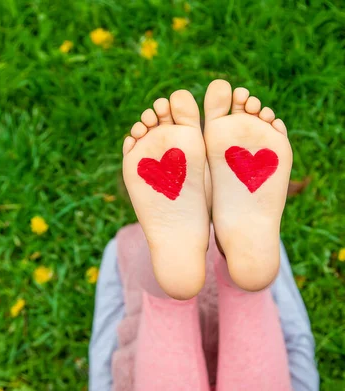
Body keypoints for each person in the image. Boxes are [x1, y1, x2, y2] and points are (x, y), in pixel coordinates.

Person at [90, 80, 319, 391]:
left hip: (156, 372)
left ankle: (166, 290)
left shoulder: (121, 247)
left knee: (166, 309)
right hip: (262, 370)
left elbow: (104, 344)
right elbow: (295, 331)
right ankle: (239, 287)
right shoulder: (265, 242)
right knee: (253, 296)